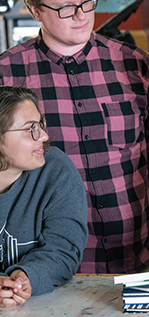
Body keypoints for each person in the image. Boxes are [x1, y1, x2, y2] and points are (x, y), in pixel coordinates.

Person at [0, 0, 149, 274]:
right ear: (35, 10)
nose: (82, 16)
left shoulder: (133, 64)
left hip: (139, 253)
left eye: (87, 2)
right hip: (49, 264)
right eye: (68, 8)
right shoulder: (8, 75)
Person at [0, 86, 88, 307]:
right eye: (31, 129)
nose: (45, 136)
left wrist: (25, 277)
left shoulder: (56, 170)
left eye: (40, 125)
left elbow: (63, 249)